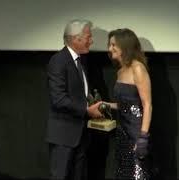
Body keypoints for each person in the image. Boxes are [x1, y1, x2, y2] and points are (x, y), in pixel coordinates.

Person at [45, 19, 103, 180]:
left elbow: (81, 93)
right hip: (63, 135)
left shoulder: (81, 60)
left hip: (81, 134)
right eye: (88, 37)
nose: (91, 41)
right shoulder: (58, 61)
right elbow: (58, 99)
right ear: (76, 39)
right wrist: (86, 110)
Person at [103, 28, 153, 179]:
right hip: (122, 133)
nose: (110, 49)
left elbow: (147, 104)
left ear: (125, 46)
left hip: (136, 132)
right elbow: (125, 105)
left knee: (138, 174)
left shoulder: (137, 68)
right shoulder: (120, 70)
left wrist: (143, 137)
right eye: (109, 45)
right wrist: (106, 104)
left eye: (114, 45)